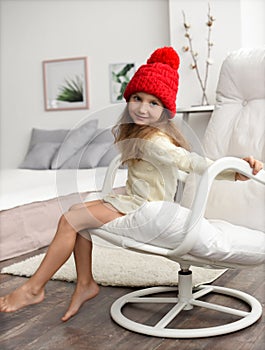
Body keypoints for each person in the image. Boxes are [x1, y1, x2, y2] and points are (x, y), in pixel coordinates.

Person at [0, 47, 263, 322]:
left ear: (165, 110)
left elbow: (191, 162)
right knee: (79, 217)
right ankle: (86, 283)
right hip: (132, 200)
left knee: (70, 219)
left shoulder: (155, 141)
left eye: (153, 103)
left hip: (144, 208)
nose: (142, 108)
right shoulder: (140, 133)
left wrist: (233, 169)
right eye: (137, 98)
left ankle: (33, 288)